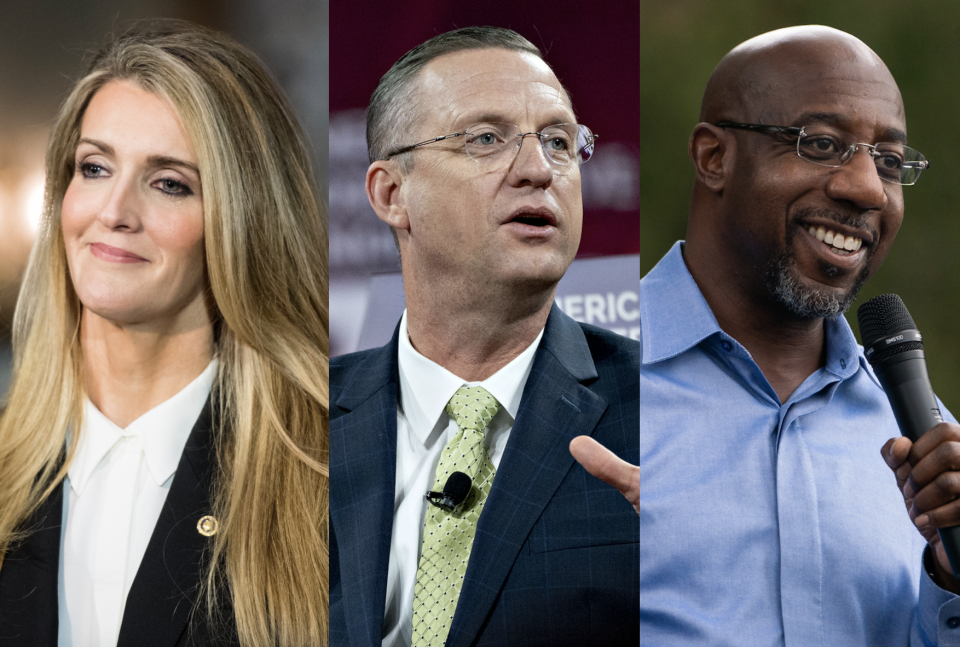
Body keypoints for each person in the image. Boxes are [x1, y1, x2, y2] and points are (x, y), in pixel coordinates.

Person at [0, 21, 329, 646]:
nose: (114, 212)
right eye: (94, 168)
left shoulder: (323, 480)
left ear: (241, 222)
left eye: (169, 183)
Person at [638, 25, 960, 646]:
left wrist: (949, 574)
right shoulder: (582, 382)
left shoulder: (920, 435)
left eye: (889, 162)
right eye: (820, 144)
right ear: (714, 158)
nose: (866, 189)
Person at [329, 27, 639, 647]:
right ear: (392, 193)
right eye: (486, 139)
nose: (538, 170)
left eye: (559, 141)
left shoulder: (660, 407)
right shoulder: (295, 418)